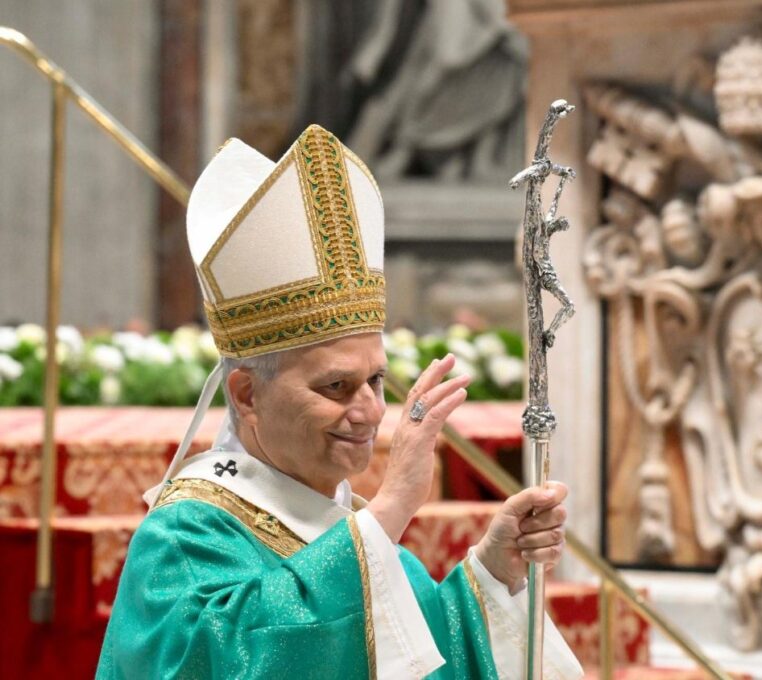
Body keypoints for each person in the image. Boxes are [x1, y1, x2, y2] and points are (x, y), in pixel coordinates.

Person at [96, 124, 583, 679]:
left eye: (375, 382)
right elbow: (238, 659)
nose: (370, 411)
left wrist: (496, 571)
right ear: (247, 394)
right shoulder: (185, 536)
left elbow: (421, 653)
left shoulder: (352, 532)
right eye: (335, 387)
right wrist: (394, 506)